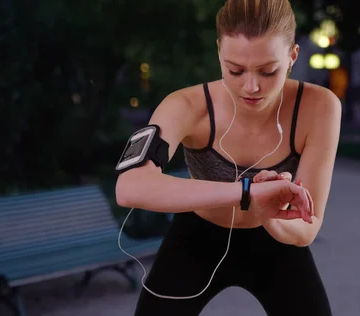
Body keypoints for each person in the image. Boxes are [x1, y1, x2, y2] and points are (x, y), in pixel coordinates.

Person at [115, 0, 341, 314]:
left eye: (268, 71)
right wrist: (248, 192)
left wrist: (267, 213)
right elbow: (129, 187)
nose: (251, 86)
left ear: (292, 56)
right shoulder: (186, 105)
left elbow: (307, 230)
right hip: (196, 240)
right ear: (219, 51)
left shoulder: (319, 107)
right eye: (234, 70)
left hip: (277, 242)